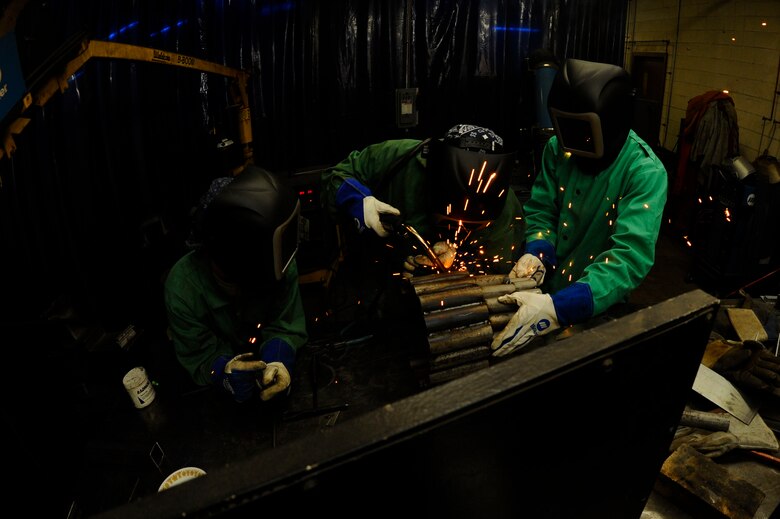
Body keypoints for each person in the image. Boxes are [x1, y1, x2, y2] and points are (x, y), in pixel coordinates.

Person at [491, 58, 668, 357]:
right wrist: (537, 251)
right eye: (565, 127)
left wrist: (561, 307)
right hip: (546, 287)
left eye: (582, 130)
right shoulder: (557, 148)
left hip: (598, 299)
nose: (570, 143)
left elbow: (629, 258)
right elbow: (542, 208)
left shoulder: (644, 173)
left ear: (610, 123)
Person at [163, 162, 308, 403]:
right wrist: (222, 370)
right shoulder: (182, 288)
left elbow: (286, 324)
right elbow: (199, 356)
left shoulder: (278, 260)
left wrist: (279, 358)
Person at [321, 124, 524, 277]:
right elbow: (335, 176)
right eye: (448, 221)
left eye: (471, 227)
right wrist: (358, 201)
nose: (456, 231)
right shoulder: (398, 157)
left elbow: (496, 272)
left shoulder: (504, 205)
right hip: (374, 274)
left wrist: (447, 275)